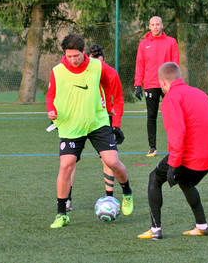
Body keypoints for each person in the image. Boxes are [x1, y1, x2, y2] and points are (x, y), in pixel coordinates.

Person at [46, 34, 133, 228]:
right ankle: (61, 213)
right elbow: (50, 95)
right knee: (65, 165)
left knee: (112, 161)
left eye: (76, 56)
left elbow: (111, 85)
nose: (72, 60)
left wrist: (110, 110)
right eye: (68, 56)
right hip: (71, 125)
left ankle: (127, 192)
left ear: (83, 52)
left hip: (97, 122)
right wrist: (50, 109)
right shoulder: (57, 71)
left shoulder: (97, 66)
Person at [137, 62, 208, 240]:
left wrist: (173, 165)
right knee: (186, 181)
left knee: (154, 178)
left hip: (191, 157)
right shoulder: (200, 93)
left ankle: (155, 229)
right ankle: (202, 226)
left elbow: (177, 132)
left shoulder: (170, 98)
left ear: (163, 83)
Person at [65, 44, 125, 211]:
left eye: (98, 62)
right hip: (78, 121)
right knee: (70, 160)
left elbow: (118, 99)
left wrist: (116, 124)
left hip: (102, 121)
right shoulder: (78, 73)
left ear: (103, 61)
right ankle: (66, 200)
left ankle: (110, 199)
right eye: (91, 62)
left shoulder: (111, 74)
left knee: (108, 160)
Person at [134, 16, 180, 157]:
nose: (155, 27)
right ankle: (152, 147)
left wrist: (176, 83)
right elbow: (140, 64)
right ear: (149, 26)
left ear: (162, 25)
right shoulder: (143, 44)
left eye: (157, 24)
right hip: (151, 84)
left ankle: (176, 146)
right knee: (151, 116)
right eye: (153, 24)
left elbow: (175, 63)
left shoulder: (171, 42)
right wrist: (138, 84)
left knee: (173, 116)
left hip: (168, 84)